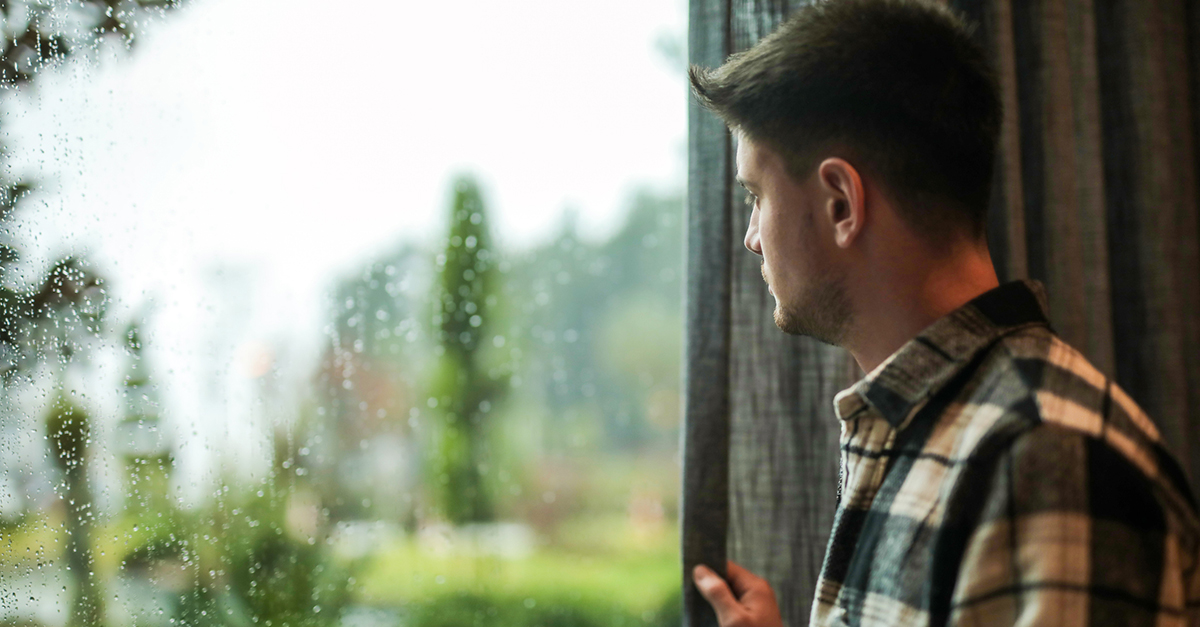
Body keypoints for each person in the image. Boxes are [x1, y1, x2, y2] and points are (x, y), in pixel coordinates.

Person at [685, 0, 1200, 625]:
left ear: (841, 203)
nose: (752, 238)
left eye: (756, 195)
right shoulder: (934, 428)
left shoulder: (1043, 460)